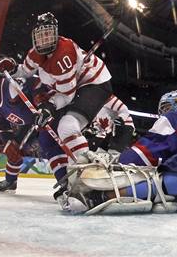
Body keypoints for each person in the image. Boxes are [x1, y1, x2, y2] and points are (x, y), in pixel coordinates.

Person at [10, 12, 112, 164]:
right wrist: (12, 69)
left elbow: (66, 95)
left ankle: (86, 169)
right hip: (72, 87)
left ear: (56, 34)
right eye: (41, 35)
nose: (45, 39)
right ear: (34, 37)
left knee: (67, 126)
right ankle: (73, 176)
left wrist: (49, 105)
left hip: (94, 83)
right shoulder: (34, 54)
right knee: (51, 131)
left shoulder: (63, 54)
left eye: (48, 34)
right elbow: (24, 72)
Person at [0, 57, 68, 194]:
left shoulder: (10, 87)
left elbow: (35, 81)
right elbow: (2, 126)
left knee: (47, 143)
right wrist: (7, 142)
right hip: (32, 123)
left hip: (48, 112)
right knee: (14, 149)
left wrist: (39, 100)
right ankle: (10, 181)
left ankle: (65, 184)